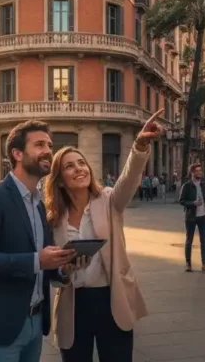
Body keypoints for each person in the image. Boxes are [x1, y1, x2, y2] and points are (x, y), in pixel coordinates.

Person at [45, 109, 163, 362]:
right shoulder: (53, 217)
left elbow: (129, 179)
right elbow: (50, 268)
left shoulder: (109, 200)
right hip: (73, 304)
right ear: (60, 179)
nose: (79, 169)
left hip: (111, 298)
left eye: (81, 163)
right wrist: (64, 268)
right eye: (69, 166)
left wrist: (140, 145)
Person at [0, 120, 75, 362]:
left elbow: (43, 264)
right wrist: (37, 261)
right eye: (39, 145)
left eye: (49, 145)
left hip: (35, 323)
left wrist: (61, 268)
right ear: (17, 153)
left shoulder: (39, 203)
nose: (47, 150)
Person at [178, 162, 205, 273]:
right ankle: (188, 263)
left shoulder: (204, 185)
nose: (199, 173)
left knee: (204, 240)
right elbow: (181, 201)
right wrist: (193, 203)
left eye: (200, 171)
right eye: (197, 171)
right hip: (191, 217)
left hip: (203, 216)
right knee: (189, 240)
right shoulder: (187, 186)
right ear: (192, 172)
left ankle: (204, 263)